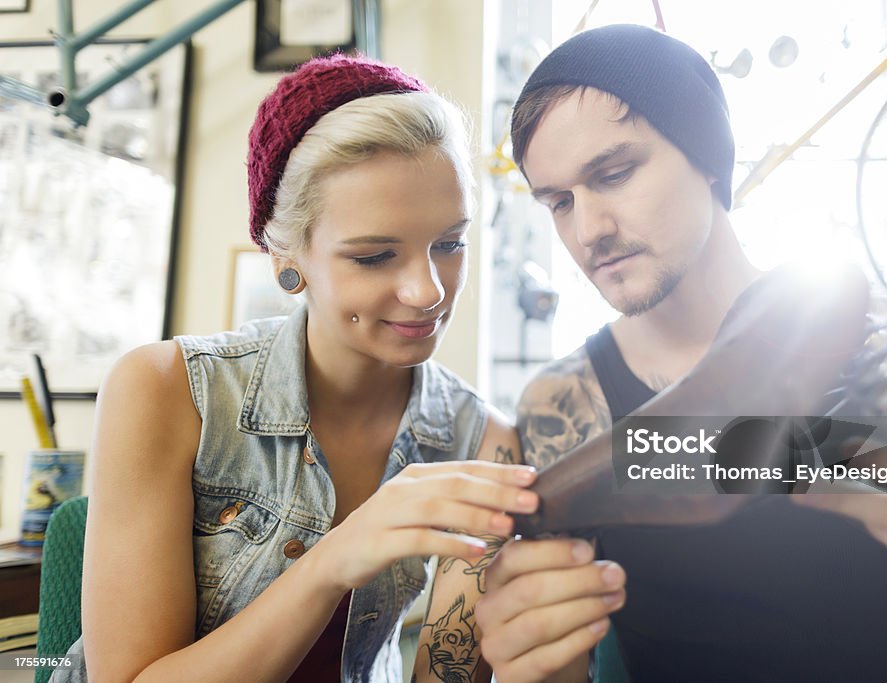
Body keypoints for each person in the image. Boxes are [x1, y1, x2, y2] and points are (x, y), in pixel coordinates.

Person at [474, 25, 887, 682]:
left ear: (707, 155)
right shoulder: (562, 404)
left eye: (614, 173)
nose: (588, 230)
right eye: (559, 202)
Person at [53, 54, 541, 683]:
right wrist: (336, 557)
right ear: (288, 256)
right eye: (374, 256)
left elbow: (449, 673)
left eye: (449, 244)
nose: (428, 290)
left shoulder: (481, 442)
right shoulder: (166, 391)